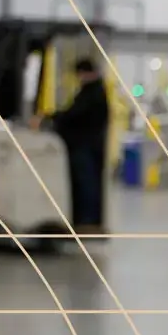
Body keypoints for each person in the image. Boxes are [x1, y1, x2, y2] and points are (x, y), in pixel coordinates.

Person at [32, 57, 110, 235]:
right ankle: (87, 221)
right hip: (88, 146)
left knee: (86, 184)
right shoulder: (94, 90)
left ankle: (88, 222)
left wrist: (49, 118)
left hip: (85, 147)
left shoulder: (93, 92)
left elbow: (75, 114)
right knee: (87, 184)